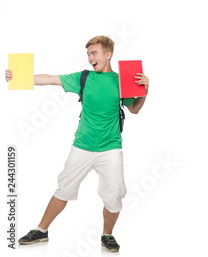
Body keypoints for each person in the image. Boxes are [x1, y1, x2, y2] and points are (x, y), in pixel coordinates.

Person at [5, 35, 149, 253]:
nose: (90, 58)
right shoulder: (83, 78)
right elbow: (51, 79)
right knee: (64, 188)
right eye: (88, 54)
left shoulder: (121, 81)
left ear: (108, 55)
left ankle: (107, 235)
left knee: (114, 194)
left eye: (94, 53)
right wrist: (19, 76)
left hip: (111, 149)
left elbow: (135, 109)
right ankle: (41, 230)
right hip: (81, 147)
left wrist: (145, 89)